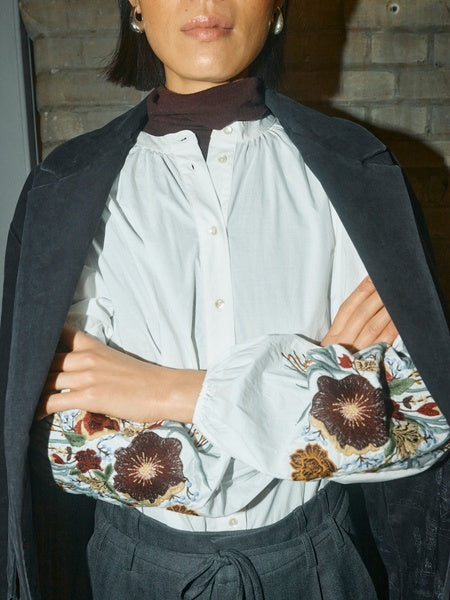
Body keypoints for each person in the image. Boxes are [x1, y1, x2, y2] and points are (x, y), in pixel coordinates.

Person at [1, 0, 449, 599]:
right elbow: (69, 449)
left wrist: (169, 394)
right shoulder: (64, 190)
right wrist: (318, 398)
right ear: (135, 4)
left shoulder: (359, 172)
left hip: (321, 566)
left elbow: (418, 426)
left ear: (278, 5)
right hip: (132, 574)